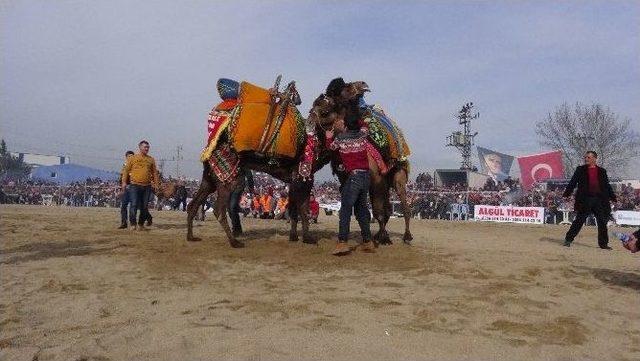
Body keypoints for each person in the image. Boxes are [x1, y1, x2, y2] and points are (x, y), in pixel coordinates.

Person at [326, 116, 375, 255]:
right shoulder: (362, 135)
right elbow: (365, 124)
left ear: (345, 125)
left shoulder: (340, 138)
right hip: (366, 177)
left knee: (346, 210)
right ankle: (367, 241)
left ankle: (342, 242)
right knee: (361, 209)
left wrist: (329, 136)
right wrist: (355, 120)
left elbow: (331, 147)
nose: (337, 124)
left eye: (340, 122)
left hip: (353, 177)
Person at [562, 151, 617, 249]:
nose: (586, 159)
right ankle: (568, 239)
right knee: (579, 220)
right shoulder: (580, 169)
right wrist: (567, 193)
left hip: (599, 200)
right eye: (585, 157)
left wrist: (613, 197)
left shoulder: (602, 171)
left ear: (595, 158)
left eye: (588, 157)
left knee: (602, 222)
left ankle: (603, 244)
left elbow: (607, 186)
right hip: (585, 199)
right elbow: (573, 182)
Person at [122, 140, 160, 231]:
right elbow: (126, 171)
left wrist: (156, 184)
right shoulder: (133, 158)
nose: (147, 149)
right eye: (145, 147)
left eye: (148, 147)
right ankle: (133, 224)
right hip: (134, 185)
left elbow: (154, 173)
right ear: (140, 147)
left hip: (147, 186)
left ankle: (141, 224)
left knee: (144, 206)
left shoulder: (151, 159)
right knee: (134, 205)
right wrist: (123, 182)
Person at [228, 168, 254, 236]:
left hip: (238, 186)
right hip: (227, 186)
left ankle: (236, 230)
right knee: (230, 208)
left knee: (232, 207)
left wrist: (251, 187)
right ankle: (237, 228)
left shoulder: (241, 160)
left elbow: (249, 174)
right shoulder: (225, 160)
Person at [118, 150, 135, 229]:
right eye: (129, 156)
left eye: (132, 156)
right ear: (126, 157)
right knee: (123, 206)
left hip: (134, 189)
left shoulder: (136, 167)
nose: (130, 158)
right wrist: (121, 188)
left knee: (132, 207)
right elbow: (121, 178)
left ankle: (132, 224)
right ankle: (124, 223)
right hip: (126, 189)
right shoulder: (124, 166)